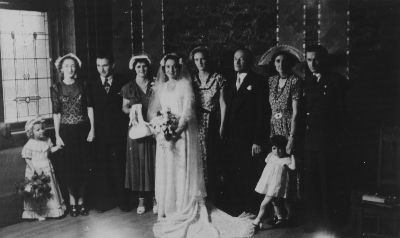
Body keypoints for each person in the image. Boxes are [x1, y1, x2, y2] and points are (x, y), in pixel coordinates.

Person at [149, 53, 254, 238]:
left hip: (182, 135)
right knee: (169, 169)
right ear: (163, 69)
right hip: (167, 136)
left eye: (174, 67)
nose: (171, 70)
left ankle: (183, 206)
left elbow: (188, 112)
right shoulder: (163, 87)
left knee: (182, 170)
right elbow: (157, 111)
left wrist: (175, 133)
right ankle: (171, 207)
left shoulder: (185, 84)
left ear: (179, 67)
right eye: (167, 67)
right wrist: (161, 128)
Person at [303, 45, 347, 232]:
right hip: (310, 140)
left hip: (328, 141)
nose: (313, 63)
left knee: (328, 185)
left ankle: (332, 225)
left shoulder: (337, 81)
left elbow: (343, 113)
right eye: (309, 60)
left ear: (324, 60)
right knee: (312, 185)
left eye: (316, 59)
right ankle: (316, 223)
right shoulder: (307, 82)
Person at [225, 48, 269, 216]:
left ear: (249, 61)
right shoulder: (230, 80)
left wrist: (257, 140)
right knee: (234, 172)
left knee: (249, 173)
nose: (237, 62)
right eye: (235, 58)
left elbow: (262, 112)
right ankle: (238, 208)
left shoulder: (258, 81)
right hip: (233, 136)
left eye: (241, 59)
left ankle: (251, 208)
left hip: (249, 137)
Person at [263, 45, 304, 225]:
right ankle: (278, 213)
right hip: (274, 127)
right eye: (278, 61)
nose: (281, 65)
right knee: (275, 169)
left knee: (290, 170)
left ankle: (292, 213)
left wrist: (292, 136)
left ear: (291, 63)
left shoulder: (295, 81)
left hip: (288, 127)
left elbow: (296, 112)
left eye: (284, 61)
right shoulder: (271, 81)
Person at [50, 53, 94, 217]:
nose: (70, 68)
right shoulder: (56, 88)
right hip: (66, 132)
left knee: (82, 166)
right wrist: (57, 135)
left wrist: (92, 129)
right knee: (69, 168)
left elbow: (90, 107)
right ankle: (72, 202)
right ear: (61, 69)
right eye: (66, 65)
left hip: (82, 130)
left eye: (73, 65)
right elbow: (56, 113)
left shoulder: (83, 84)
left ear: (76, 68)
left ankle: (81, 201)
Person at [89, 53, 132, 213]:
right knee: (103, 167)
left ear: (112, 65)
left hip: (118, 131)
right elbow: (90, 109)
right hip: (100, 133)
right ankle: (105, 203)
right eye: (99, 66)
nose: (102, 69)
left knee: (120, 166)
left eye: (105, 65)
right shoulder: (92, 84)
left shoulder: (123, 83)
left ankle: (123, 201)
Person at [189, 46, 227, 196]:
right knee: (198, 154)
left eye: (202, 59)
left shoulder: (218, 78)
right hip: (196, 121)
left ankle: (214, 190)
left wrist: (222, 125)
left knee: (213, 154)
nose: (200, 62)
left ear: (208, 59)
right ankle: (201, 190)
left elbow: (223, 103)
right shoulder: (191, 79)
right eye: (197, 60)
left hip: (213, 120)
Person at [121, 53, 156, 214]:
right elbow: (125, 107)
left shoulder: (155, 84)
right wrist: (133, 112)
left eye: (144, 66)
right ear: (134, 68)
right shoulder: (128, 87)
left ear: (148, 67)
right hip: (136, 129)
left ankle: (156, 197)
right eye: (138, 66)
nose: (142, 69)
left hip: (153, 128)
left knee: (154, 161)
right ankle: (142, 198)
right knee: (139, 163)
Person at [21, 117, 66, 220]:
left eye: (42, 128)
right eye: (38, 130)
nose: (41, 131)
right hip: (36, 169)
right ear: (31, 132)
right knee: (38, 191)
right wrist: (33, 168)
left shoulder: (47, 140)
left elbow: (50, 151)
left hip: (47, 167)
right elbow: (26, 157)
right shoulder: (30, 144)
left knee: (50, 190)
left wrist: (57, 147)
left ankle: (51, 211)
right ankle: (39, 213)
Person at [252, 135, 296, 229]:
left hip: (277, 184)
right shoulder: (270, 156)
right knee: (275, 202)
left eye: (280, 149)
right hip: (269, 182)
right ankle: (281, 218)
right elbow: (267, 162)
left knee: (265, 202)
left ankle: (257, 221)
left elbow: (293, 167)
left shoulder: (286, 159)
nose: (276, 151)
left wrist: (293, 155)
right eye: (274, 148)